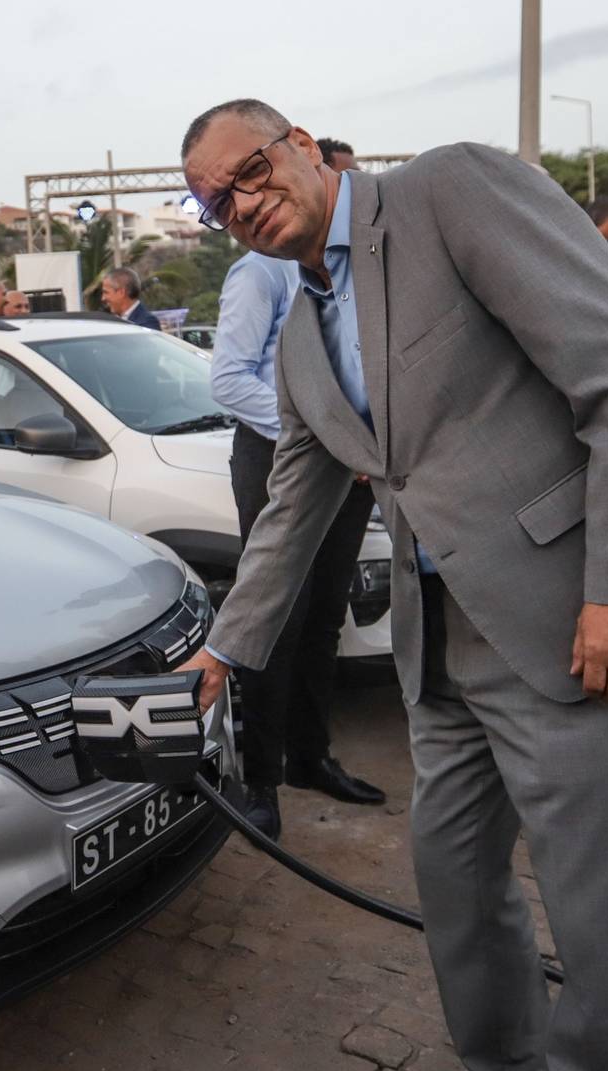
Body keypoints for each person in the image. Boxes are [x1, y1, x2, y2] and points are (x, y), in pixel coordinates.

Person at [177, 99, 608, 1071]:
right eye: (216, 200)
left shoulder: (448, 192)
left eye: (251, 172)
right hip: (435, 643)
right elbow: (292, 506)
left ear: (302, 145)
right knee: (453, 887)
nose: (242, 204)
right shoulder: (301, 330)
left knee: (602, 920)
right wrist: (226, 648)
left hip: (576, 622)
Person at [210, 247, 386, 836]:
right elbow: (230, 379)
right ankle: (262, 782)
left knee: (325, 616)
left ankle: (311, 758)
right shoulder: (260, 272)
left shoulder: (356, 270)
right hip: (280, 454)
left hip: (354, 459)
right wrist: (327, 432)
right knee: (275, 619)